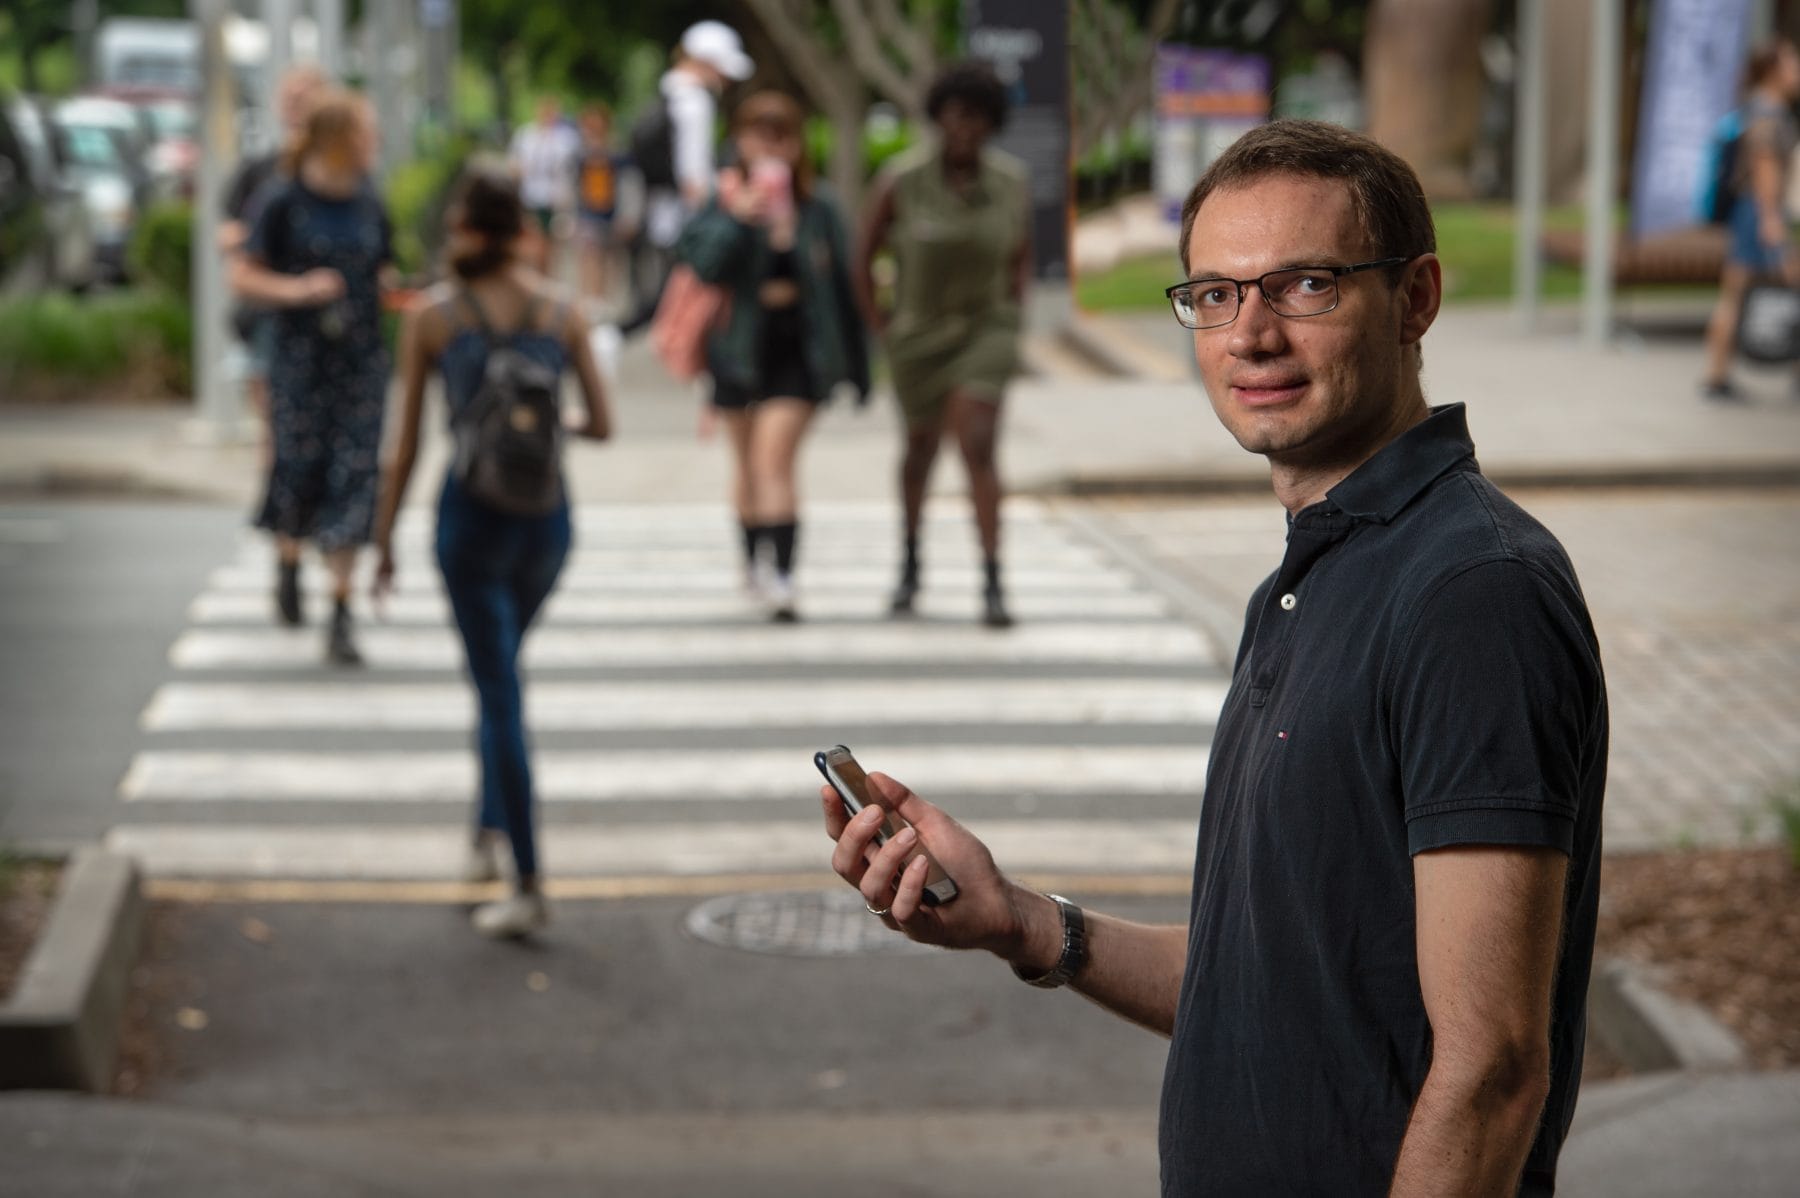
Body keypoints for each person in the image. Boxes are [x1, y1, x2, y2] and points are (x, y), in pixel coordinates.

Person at [821, 120, 1608, 1196]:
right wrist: (1022, 922)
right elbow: (1269, 977)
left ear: (1416, 297)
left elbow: (1494, 1067)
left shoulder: (1472, 594)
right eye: (1216, 295)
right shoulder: (1318, 568)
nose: (1252, 336)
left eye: (1308, 286)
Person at [371, 168, 612, 938]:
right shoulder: (565, 310)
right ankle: (483, 833)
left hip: (468, 522)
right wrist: (538, 426)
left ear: (466, 231)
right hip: (546, 524)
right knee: (498, 676)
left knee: (499, 689)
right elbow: (602, 426)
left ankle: (529, 879)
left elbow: (405, 445)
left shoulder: (433, 317)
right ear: (522, 231)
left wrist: (382, 541)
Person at [676, 91, 869, 621]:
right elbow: (702, 266)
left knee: (773, 459)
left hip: (798, 350)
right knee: (746, 465)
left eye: (780, 136)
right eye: (758, 135)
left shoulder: (819, 206)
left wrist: (858, 366)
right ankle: (752, 562)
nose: (769, 148)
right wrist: (738, 219)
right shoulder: (722, 202)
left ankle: (781, 573)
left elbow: (847, 293)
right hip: (737, 350)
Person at [855, 61, 1031, 628]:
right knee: (920, 450)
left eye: (978, 118)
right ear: (937, 118)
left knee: (977, 442)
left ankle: (993, 578)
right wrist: (880, 325)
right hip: (917, 335)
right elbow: (862, 258)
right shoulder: (901, 182)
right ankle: (909, 559)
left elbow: (1020, 256)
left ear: (992, 124)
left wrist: (1012, 314)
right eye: (956, 116)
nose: (965, 128)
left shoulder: (1010, 183)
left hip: (985, 329)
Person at [230, 88, 393, 665]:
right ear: (338, 139)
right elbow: (244, 275)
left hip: (361, 359)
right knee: (298, 467)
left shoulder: (370, 200)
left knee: (355, 475)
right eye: (366, 132)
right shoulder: (282, 200)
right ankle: (289, 561)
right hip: (300, 358)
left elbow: (383, 270)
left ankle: (342, 611)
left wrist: (402, 297)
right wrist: (299, 290)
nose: (374, 142)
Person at [615, 20, 752, 340]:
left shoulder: (669, 94)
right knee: (671, 296)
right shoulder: (694, 103)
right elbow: (694, 176)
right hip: (682, 217)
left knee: (660, 293)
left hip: (660, 213)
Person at [220, 63, 326, 476]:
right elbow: (230, 238)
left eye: (307, 97)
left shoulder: (342, 176)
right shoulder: (264, 174)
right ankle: (282, 510)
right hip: (269, 316)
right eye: (291, 99)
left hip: (323, 318)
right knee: (276, 426)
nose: (297, 107)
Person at [1702, 38, 1800, 402]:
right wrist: (1772, 221)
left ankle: (1716, 376)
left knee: (1736, 293)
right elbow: (1764, 170)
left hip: (1753, 212)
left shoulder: (1754, 108)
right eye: (1793, 65)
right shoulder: (1768, 114)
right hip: (1761, 213)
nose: (1797, 72)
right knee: (1744, 292)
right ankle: (1717, 377)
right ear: (1774, 71)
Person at [508, 96, 580, 275]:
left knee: (551, 245)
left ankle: (547, 276)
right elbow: (514, 164)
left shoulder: (567, 139)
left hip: (555, 198)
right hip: (531, 196)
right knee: (533, 241)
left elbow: (572, 170)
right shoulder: (526, 135)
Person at [572, 102, 624, 312]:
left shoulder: (615, 153)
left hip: (610, 211)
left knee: (608, 257)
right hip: (587, 211)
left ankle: (602, 298)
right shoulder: (580, 154)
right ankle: (588, 297)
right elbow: (573, 185)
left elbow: (624, 184)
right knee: (589, 254)